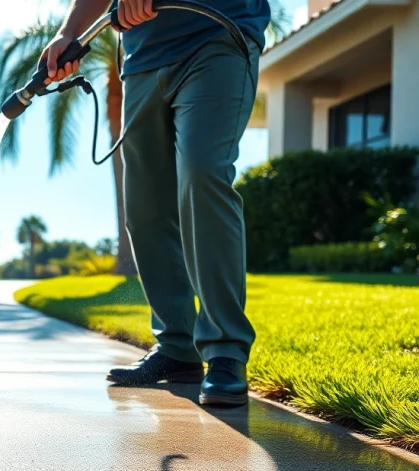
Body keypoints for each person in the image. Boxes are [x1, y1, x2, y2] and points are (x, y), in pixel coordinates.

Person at [41, 0, 270, 406]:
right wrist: (68, 31)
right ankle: (176, 348)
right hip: (143, 59)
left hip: (218, 33)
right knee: (145, 204)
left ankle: (226, 351)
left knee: (203, 171)